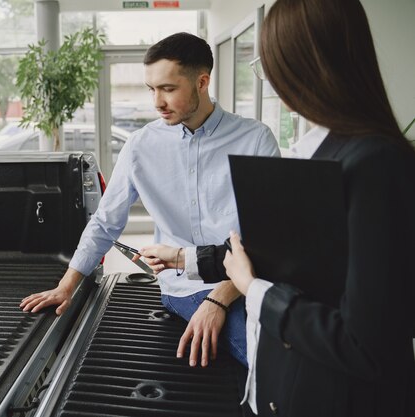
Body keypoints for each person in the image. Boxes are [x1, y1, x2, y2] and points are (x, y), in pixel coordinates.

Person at [140, 1, 415, 416]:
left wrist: (254, 290)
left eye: (273, 66)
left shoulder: (375, 165)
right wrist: (184, 257)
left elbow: (365, 346)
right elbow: (287, 253)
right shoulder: (325, 151)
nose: (271, 81)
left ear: (310, 64)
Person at [20, 32, 280, 369]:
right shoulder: (140, 146)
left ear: (202, 82)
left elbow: (269, 238)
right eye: (151, 89)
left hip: (251, 280)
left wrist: (219, 299)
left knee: (297, 348)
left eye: (168, 89)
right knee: (269, 357)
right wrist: (66, 285)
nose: (157, 102)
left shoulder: (255, 139)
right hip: (185, 288)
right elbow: (104, 222)